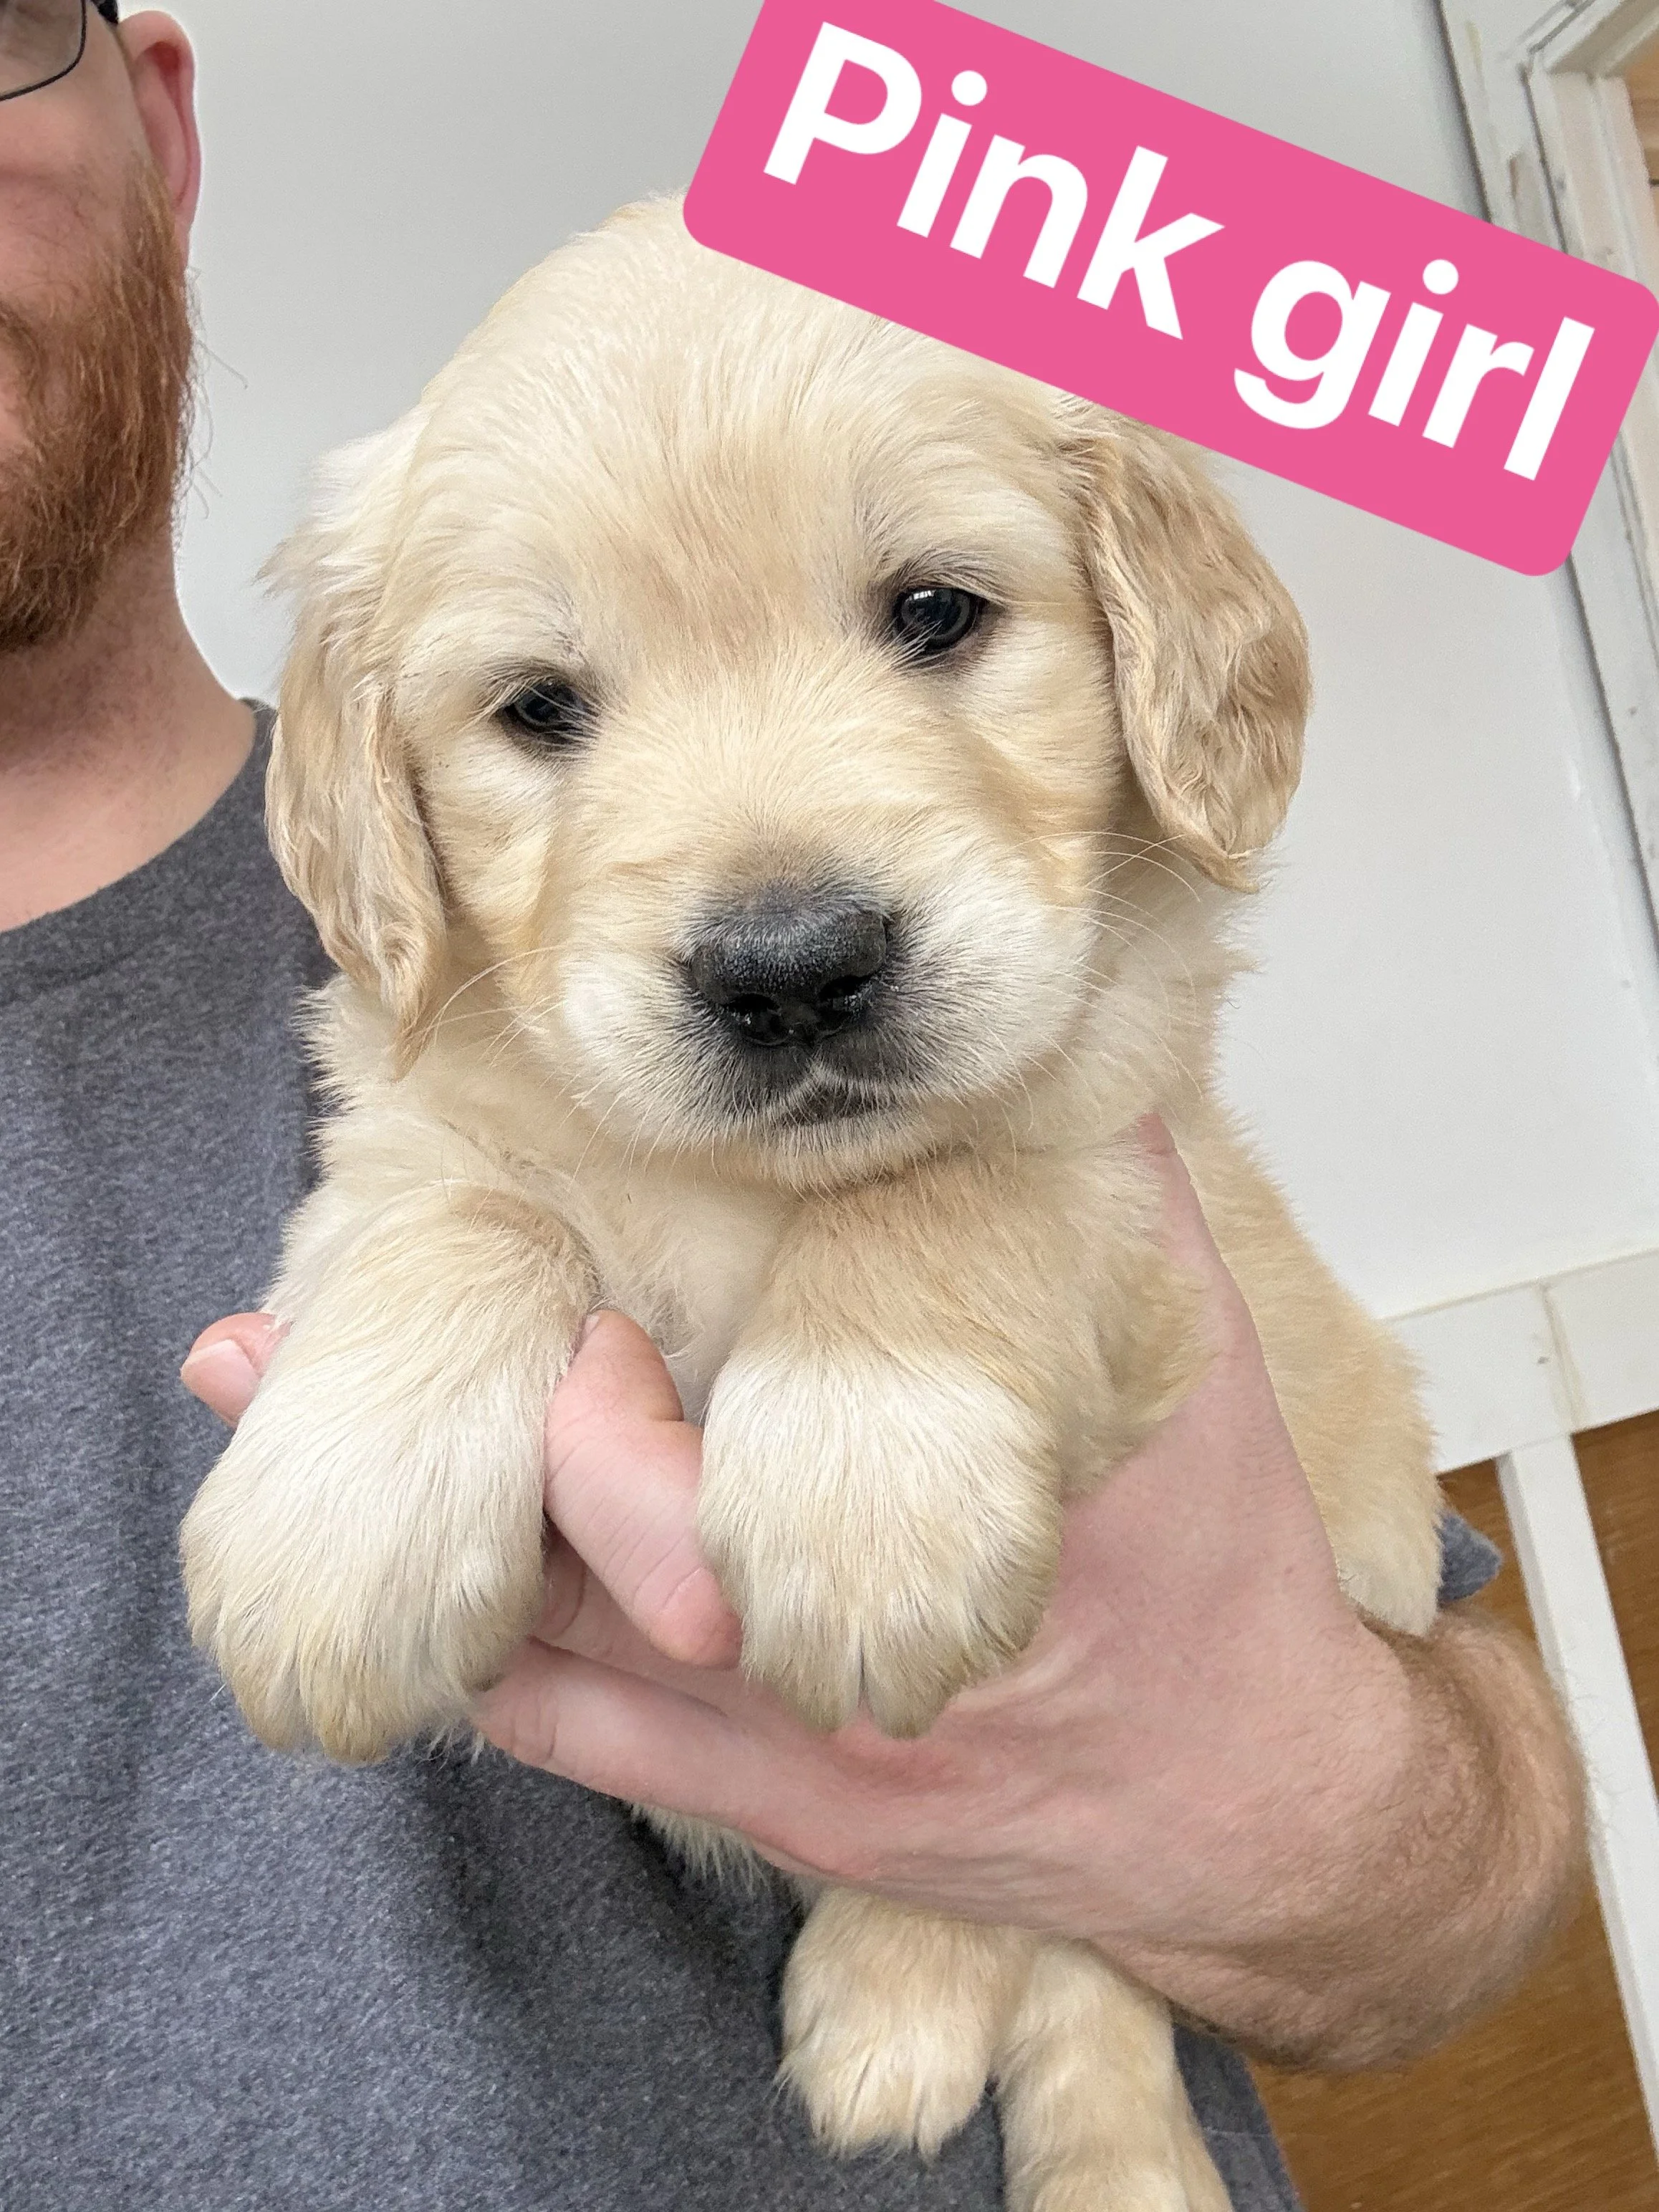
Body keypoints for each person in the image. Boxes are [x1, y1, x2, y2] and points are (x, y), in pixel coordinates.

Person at [0, 6, 1582, 2210]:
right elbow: (442, 1153)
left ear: (154, 118)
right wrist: (436, 1302)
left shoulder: (1049, 1041)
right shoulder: (431, 972)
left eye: (936, 612)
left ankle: (1085, 2061)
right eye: (542, 705)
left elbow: (1457, 1882)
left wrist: (1259, 1801)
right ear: (383, 805)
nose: (773, 918)